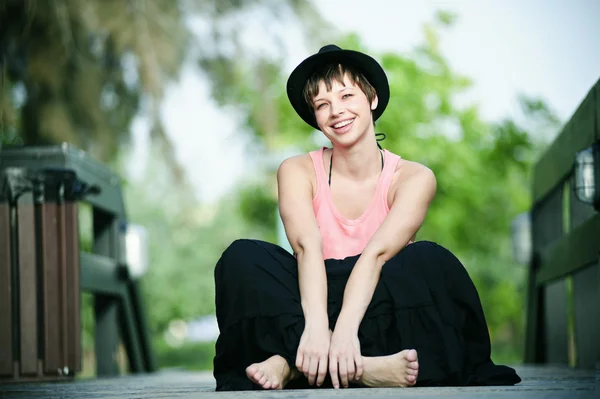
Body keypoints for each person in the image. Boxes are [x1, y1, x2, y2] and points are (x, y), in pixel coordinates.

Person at [212, 44, 521, 391]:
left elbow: (376, 255)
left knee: (432, 261)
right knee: (242, 257)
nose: (336, 112)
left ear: (372, 98)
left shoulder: (414, 178)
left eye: (346, 96)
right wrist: (316, 327)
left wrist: (343, 329)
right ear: (315, 116)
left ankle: (293, 364)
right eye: (322, 104)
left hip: (375, 298)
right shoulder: (297, 170)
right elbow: (306, 248)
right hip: (311, 292)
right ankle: (361, 370)